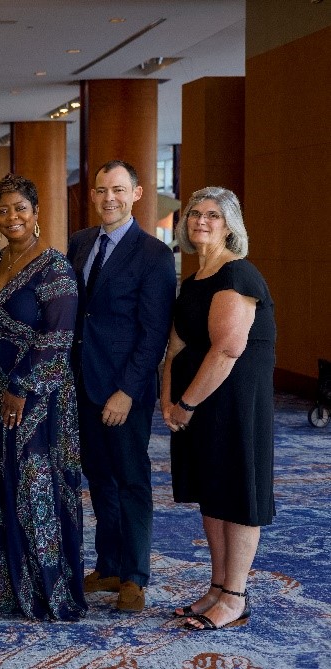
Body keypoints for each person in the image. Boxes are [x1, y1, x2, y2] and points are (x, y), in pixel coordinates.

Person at [0, 174, 87, 621]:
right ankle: (5, 588)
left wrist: (20, 388)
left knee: (37, 489)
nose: (12, 217)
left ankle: (47, 590)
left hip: (38, 399)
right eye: (3, 210)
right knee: (2, 486)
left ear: (37, 213)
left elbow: (58, 338)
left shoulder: (55, 266)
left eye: (20, 208)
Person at [162, 187, 275, 631]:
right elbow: (174, 348)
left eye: (212, 215)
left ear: (229, 226)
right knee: (213, 492)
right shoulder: (191, 282)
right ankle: (216, 587)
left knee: (238, 493)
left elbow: (227, 349)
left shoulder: (239, 276)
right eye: (194, 214)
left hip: (235, 403)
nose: (201, 221)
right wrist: (167, 399)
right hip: (197, 401)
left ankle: (235, 596)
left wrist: (186, 403)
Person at [67, 160, 176, 612]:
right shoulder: (79, 243)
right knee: (99, 480)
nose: (108, 197)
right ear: (91, 196)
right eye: (100, 190)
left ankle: (134, 576)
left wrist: (128, 391)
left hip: (123, 392)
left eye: (118, 189)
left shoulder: (153, 255)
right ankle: (109, 565)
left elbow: (154, 333)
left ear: (136, 193)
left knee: (131, 481)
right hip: (81, 385)